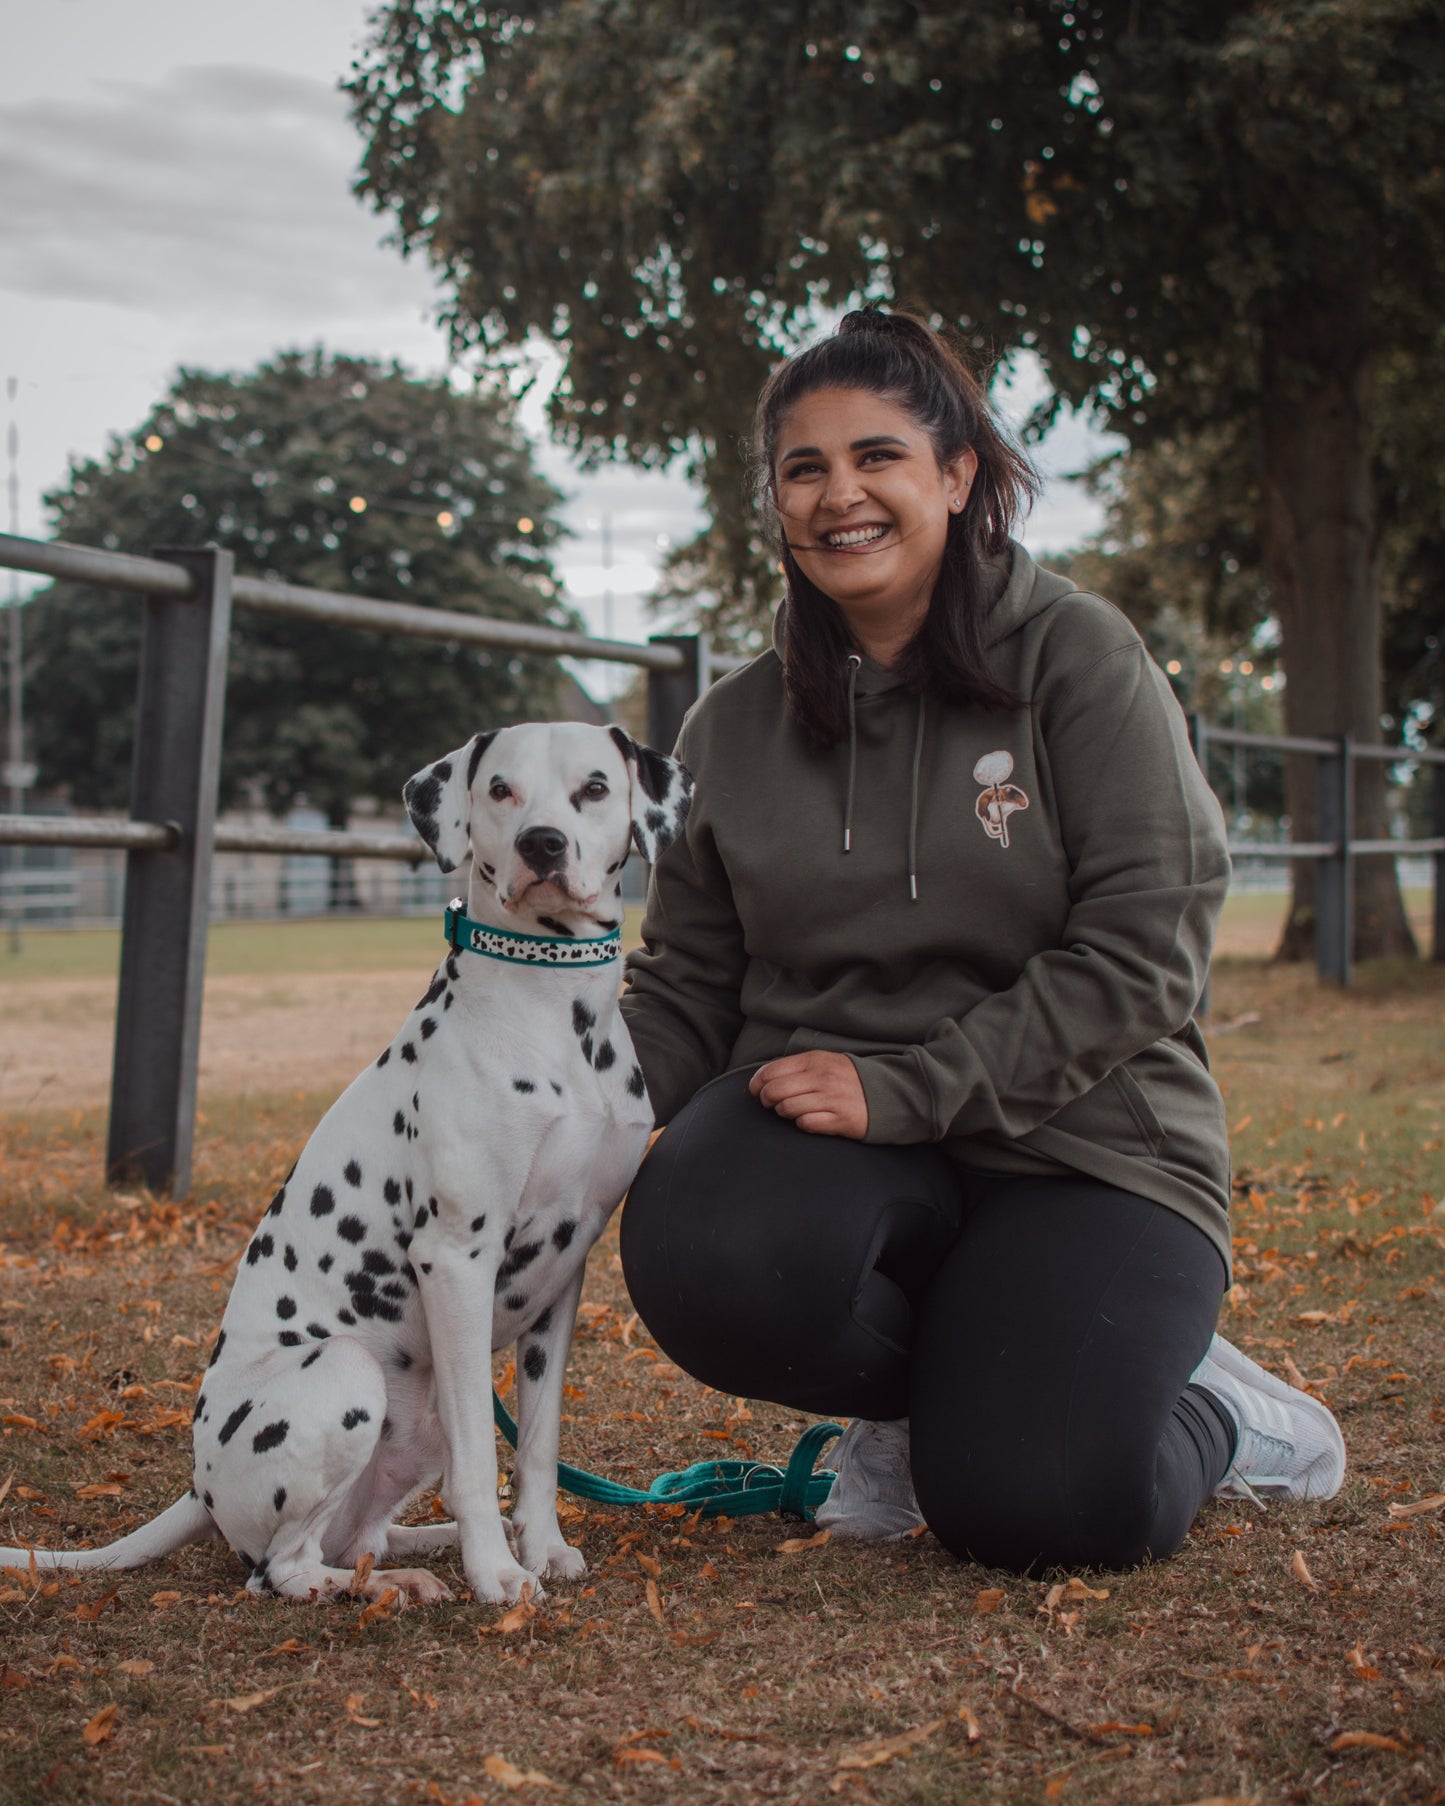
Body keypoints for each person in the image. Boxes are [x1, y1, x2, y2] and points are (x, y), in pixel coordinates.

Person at [616, 308, 1344, 1573]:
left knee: (1036, 1506)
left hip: (1085, 1153)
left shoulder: (1076, 658)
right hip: (840, 1155)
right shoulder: (728, 731)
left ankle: (1225, 1415)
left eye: (877, 457)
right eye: (803, 468)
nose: (840, 494)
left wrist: (908, 1085)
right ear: (775, 506)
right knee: (699, 1240)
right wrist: (534, 1117)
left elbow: (1142, 951)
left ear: (956, 475)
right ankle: (914, 1406)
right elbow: (685, 986)